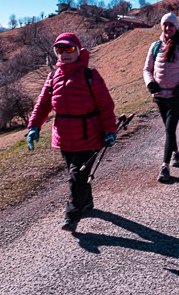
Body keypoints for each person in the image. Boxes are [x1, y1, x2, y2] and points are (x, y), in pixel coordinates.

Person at [26, 32, 117, 233]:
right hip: (64, 137)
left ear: (78, 51)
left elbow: (106, 106)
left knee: (76, 175)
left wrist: (110, 130)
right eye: (60, 50)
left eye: (69, 48)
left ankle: (72, 215)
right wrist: (34, 126)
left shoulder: (90, 75)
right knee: (77, 174)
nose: (64, 53)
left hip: (89, 136)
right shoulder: (52, 77)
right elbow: (42, 105)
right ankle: (86, 203)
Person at [143, 13, 179, 183]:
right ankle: (175, 152)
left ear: (176, 26)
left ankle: (165, 166)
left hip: (177, 96)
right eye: (165, 25)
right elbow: (147, 69)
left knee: (169, 129)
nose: (168, 28)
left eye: (171, 25)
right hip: (160, 96)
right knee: (169, 129)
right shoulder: (155, 46)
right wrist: (150, 83)